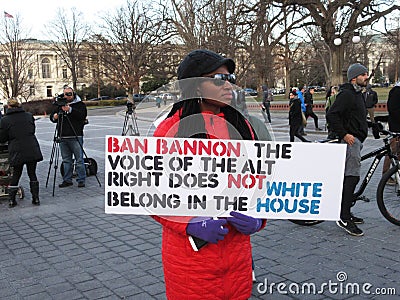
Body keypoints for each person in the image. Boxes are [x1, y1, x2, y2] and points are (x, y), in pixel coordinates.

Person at [152, 49, 266, 299]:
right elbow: (150, 192)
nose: (229, 85)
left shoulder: (241, 125)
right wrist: (189, 223)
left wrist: (259, 218)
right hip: (190, 264)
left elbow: (259, 179)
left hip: (237, 260)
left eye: (230, 77)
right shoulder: (170, 129)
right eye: (218, 79)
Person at [326, 63, 369, 236]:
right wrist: (344, 134)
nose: (366, 76)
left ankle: (346, 210)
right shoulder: (347, 94)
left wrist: (373, 126)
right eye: (363, 74)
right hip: (350, 143)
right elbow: (332, 115)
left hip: (357, 140)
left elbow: (356, 117)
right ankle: (343, 217)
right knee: (351, 177)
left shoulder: (357, 94)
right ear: (354, 77)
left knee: (351, 177)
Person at [0, 99, 43, 207]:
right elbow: (32, 130)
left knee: (16, 175)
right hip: (31, 147)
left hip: (16, 149)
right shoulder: (28, 115)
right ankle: (35, 198)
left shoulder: (5, 120)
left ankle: (11, 200)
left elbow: (2, 138)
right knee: (32, 174)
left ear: (8, 107)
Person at [50, 86, 87, 188]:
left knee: (79, 159)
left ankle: (81, 179)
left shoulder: (80, 105)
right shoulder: (60, 104)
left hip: (76, 135)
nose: (67, 96)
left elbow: (82, 116)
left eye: (69, 94)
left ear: (73, 94)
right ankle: (67, 180)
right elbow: (52, 116)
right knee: (66, 160)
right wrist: (55, 117)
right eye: (65, 94)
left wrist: (70, 110)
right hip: (62, 135)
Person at [382, 82, 400, 182]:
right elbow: (393, 110)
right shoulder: (396, 92)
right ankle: (386, 175)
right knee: (391, 151)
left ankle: (396, 173)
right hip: (396, 127)